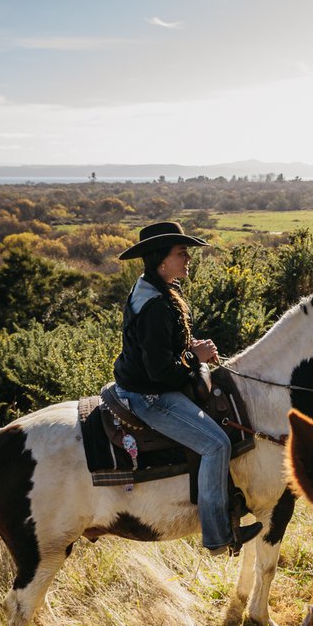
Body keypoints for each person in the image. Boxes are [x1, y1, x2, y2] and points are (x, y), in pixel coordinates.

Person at [113, 221, 259, 554]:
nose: (188, 258)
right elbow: (160, 371)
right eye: (182, 253)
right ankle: (218, 537)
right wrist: (196, 358)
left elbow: (160, 347)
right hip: (149, 396)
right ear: (162, 260)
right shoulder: (155, 305)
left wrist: (190, 348)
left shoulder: (156, 290)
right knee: (216, 445)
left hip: (142, 383)